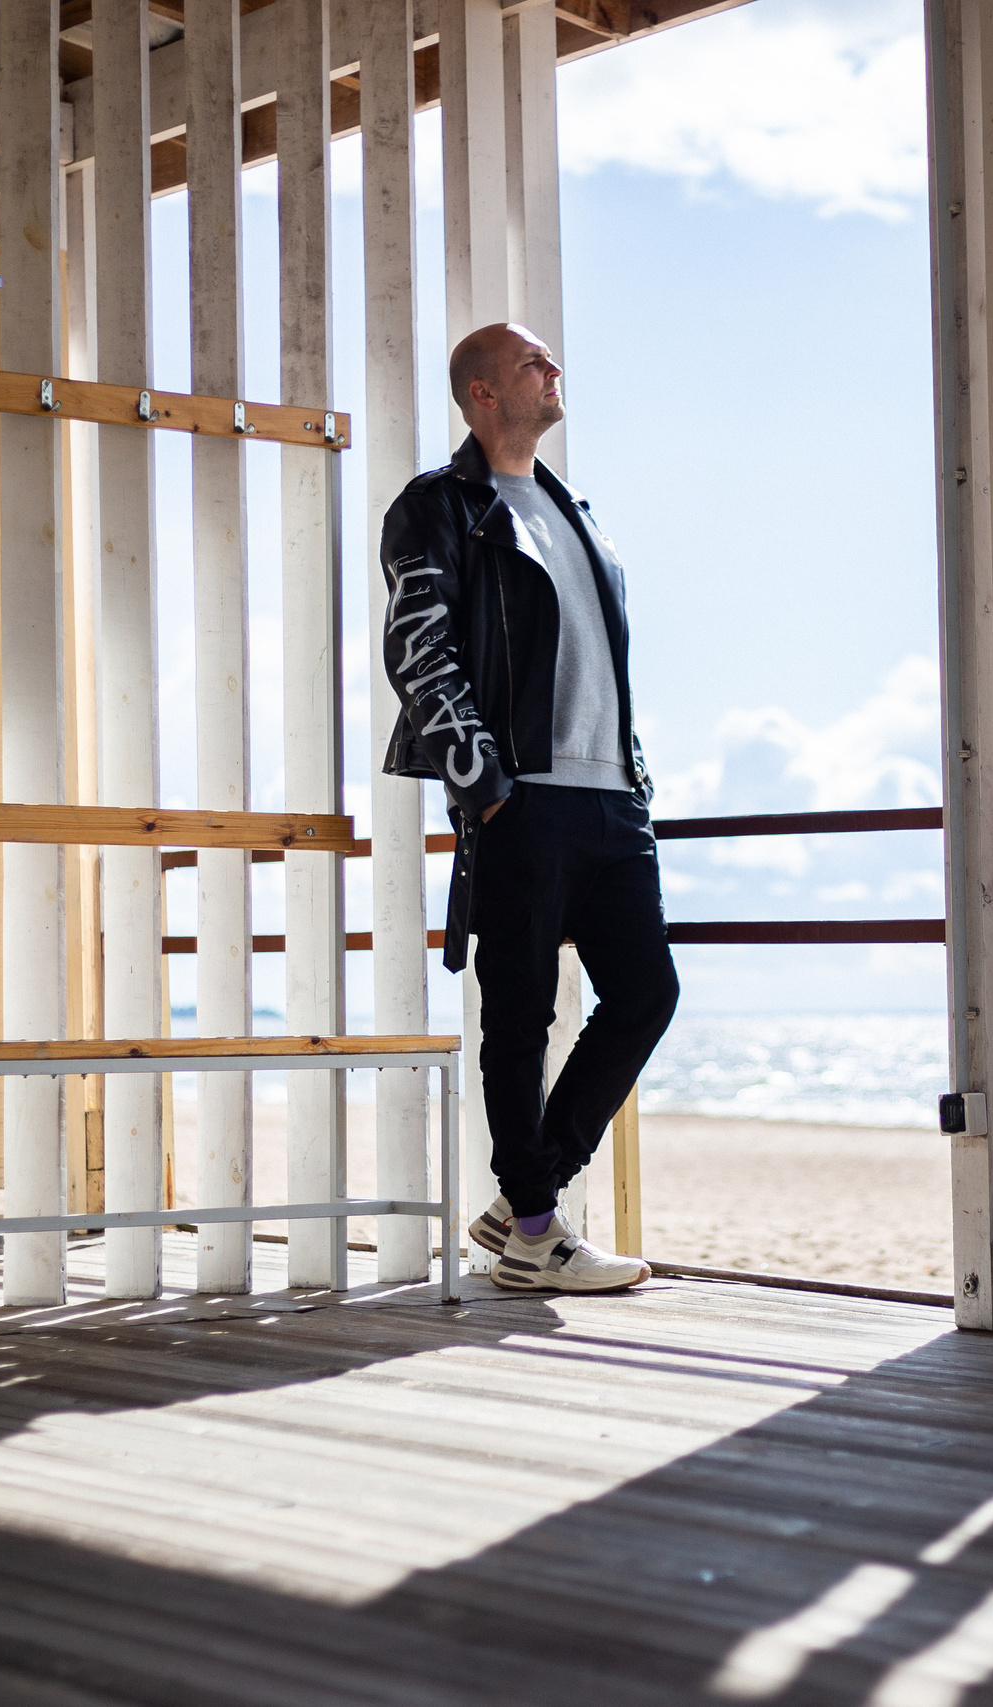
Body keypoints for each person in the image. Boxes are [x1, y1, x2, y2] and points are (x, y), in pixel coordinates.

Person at [377, 323, 678, 1294]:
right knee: (519, 1015)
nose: (553, 372)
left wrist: (633, 772)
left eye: (551, 360)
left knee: (646, 993)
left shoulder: (574, 511)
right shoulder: (440, 508)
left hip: (611, 803)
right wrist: (487, 786)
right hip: (523, 800)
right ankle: (539, 1233)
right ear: (483, 395)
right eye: (530, 363)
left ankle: (520, 1204)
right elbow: (419, 651)